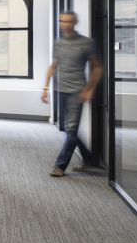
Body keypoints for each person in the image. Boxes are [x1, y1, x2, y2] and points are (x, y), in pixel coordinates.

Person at [43, 11, 102, 177]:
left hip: (77, 92)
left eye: (68, 22)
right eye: (62, 21)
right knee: (71, 130)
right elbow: (53, 66)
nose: (65, 25)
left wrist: (90, 89)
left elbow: (97, 67)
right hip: (59, 90)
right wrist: (46, 88)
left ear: (75, 23)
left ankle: (60, 166)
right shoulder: (59, 43)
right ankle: (90, 159)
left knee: (71, 128)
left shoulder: (87, 43)